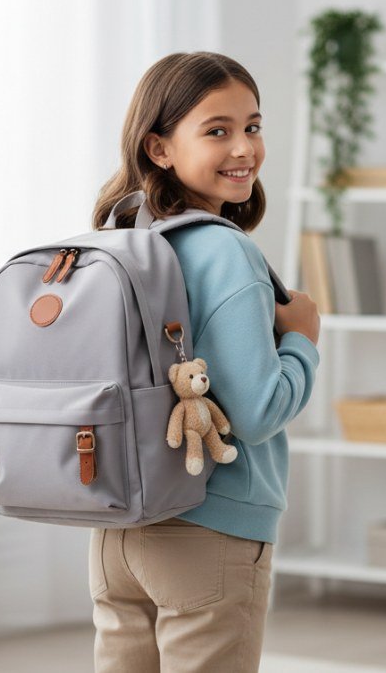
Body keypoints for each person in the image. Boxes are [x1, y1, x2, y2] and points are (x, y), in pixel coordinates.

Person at [86, 51, 321, 673]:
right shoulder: (224, 251)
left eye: (253, 126)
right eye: (217, 130)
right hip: (210, 529)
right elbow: (257, 411)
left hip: (118, 529)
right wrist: (303, 339)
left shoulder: (122, 236)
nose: (244, 147)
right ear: (160, 147)